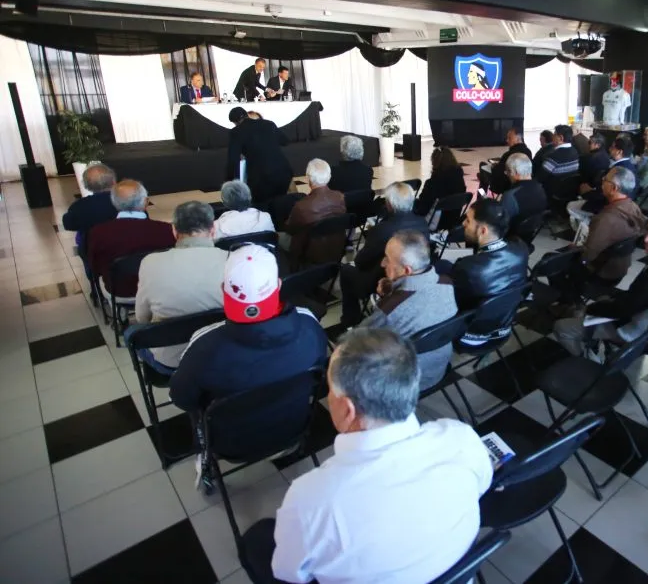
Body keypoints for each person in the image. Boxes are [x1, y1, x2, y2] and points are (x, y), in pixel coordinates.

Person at [240, 328, 492, 584]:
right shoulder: (460, 439)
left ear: (348, 409)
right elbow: (482, 488)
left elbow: (290, 572)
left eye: (329, 389)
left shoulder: (312, 499)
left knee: (258, 542)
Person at [169, 244, 329, 489]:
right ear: (277, 285)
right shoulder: (311, 326)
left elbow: (182, 399)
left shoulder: (204, 347)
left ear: (224, 290)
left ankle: (205, 463)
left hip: (230, 444)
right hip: (292, 428)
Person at [553, 210, 648, 357]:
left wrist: (590, 309)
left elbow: (624, 310)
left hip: (637, 333)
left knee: (562, 327)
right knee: (603, 300)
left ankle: (586, 364)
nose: (647, 239)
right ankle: (594, 340)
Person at [131, 202, 228, 374]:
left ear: (174, 230)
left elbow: (142, 317)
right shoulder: (233, 260)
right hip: (223, 352)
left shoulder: (150, 263)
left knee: (132, 333)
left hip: (171, 362)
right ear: (213, 229)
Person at [359, 231, 458, 389]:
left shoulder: (391, 309)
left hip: (405, 382)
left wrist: (382, 301)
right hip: (439, 367)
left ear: (406, 270)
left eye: (387, 259)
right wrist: (393, 294)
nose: (382, 264)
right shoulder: (447, 284)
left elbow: (357, 341)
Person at [337, 182, 430, 328]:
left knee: (346, 271)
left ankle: (350, 320)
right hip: (415, 276)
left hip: (383, 279)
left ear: (389, 205)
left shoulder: (382, 229)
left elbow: (361, 261)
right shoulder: (422, 223)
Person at [446, 199, 529, 347]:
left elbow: (452, 303)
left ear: (483, 230)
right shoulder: (521, 248)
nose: (463, 224)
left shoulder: (467, 268)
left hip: (473, 336)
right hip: (504, 326)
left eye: (468, 220)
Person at [87, 180, 175, 299]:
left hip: (120, 291)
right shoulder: (167, 229)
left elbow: (95, 268)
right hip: (160, 288)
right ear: (146, 202)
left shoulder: (98, 232)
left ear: (114, 203)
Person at [579, 167, 646, 283]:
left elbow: (588, 254)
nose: (602, 181)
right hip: (621, 267)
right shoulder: (633, 206)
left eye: (605, 179)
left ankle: (571, 297)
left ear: (614, 188)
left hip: (601, 272)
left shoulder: (605, 219)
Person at [283, 159, 347, 263]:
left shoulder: (301, 206)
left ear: (309, 179)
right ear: (329, 176)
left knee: (276, 237)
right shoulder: (340, 197)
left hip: (308, 254)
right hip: (336, 250)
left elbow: (290, 230)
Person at [62, 163, 117, 283]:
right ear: (113, 181)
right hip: (127, 248)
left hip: (94, 252)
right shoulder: (128, 201)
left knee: (82, 241)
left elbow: (67, 224)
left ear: (87, 186)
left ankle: (94, 282)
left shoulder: (79, 206)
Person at [225, 106, 292, 204]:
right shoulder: (268, 124)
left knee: (261, 206)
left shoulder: (236, 132)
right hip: (283, 172)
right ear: (247, 115)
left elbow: (233, 160)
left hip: (261, 177)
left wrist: (229, 180)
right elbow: (285, 141)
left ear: (234, 122)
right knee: (280, 203)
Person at [499, 153, 547, 234]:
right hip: (531, 233)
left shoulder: (510, 196)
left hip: (512, 235)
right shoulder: (540, 187)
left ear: (516, 173)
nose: (507, 175)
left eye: (507, 172)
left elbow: (500, 223)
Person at [415, 146, 466, 217]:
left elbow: (423, 207)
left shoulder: (431, 184)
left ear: (434, 163)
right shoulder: (460, 180)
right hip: (454, 219)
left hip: (435, 221)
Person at [481, 127, 532, 194]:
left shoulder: (509, 155)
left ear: (518, 138)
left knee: (482, 169)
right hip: (524, 185)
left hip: (505, 186)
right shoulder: (528, 152)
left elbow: (498, 172)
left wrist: (494, 167)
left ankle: (482, 196)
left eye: (509, 138)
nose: (507, 140)